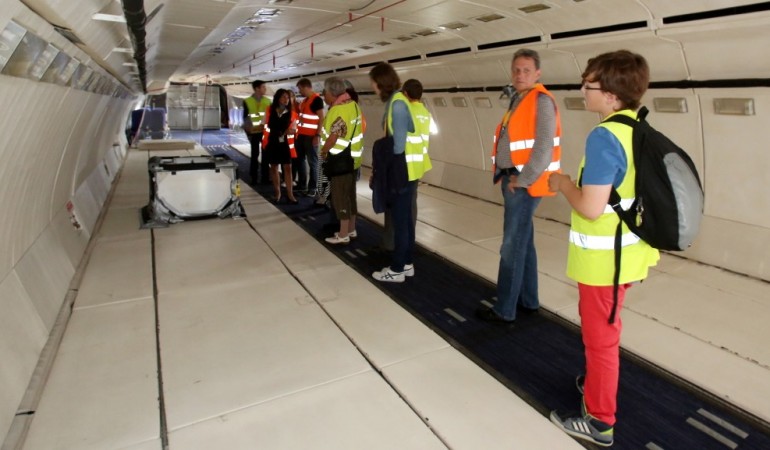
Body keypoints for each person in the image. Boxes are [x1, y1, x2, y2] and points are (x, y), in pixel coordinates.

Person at [547, 50, 660, 447]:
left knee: (601, 339)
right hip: (630, 255)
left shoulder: (604, 137)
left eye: (589, 84)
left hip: (604, 263)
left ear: (611, 95)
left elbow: (591, 208)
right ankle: (596, 382)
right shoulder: (637, 127)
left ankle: (599, 421)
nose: (583, 89)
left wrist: (562, 184)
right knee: (603, 334)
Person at [475, 48, 562, 323]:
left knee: (512, 246)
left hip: (524, 185)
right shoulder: (520, 98)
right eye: (516, 70)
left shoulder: (541, 101)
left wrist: (521, 180)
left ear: (537, 73)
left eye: (526, 70)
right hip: (514, 179)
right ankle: (528, 299)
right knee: (525, 241)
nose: (520, 75)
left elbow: (544, 146)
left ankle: (504, 310)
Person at [369, 64, 432, 283]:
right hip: (411, 169)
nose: (372, 87)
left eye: (373, 83)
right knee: (405, 220)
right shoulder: (403, 102)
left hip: (401, 170)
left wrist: (383, 169)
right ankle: (406, 264)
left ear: (380, 82)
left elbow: (398, 145)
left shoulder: (397, 103)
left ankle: (396, 269)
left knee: (400, 221)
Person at [320, 77, 363, 244]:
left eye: (325, 92)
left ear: (332, 93)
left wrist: (324, 151)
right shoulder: (353, 105)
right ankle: (351, 230)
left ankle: (343, 234)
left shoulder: (338, 110)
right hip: (353, 158)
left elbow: (333, 136)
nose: (324, 96)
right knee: (351, 196)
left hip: (340, 160)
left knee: (340, 198)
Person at [262, 89, 298, 204]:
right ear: (278, 98)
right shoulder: (269, 110)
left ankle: (290, 194)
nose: (286, 99)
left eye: (287, 97)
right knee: (274, 167)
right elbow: (264, 125)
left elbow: (294, 130)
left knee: (288, 167)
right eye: (283, 97)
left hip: (285, 143)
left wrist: (290, 131)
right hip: (272, 141)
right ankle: (277, 193)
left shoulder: (292, 114)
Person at [295, 79, 325, 196]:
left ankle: (313, 188)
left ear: (306, 87)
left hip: (311, 136)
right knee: (300, 160)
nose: (300, 91)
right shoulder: (305, 101)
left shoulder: (317, 100)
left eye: (300, 89)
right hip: (301, 135)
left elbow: (321, 118)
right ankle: (302, 185)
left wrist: (318, 135)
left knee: (313, 162)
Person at [243, 79, 271, 185]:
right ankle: (254, 177)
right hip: (253, 132)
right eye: (263, 87)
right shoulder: (247, 101)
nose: (265, 89)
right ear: (257, 89)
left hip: (265, 132)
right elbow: (245, 117)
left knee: (266, 155)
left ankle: (265, 177)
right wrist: (248, 130)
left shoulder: (268, 101)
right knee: (254, 155)